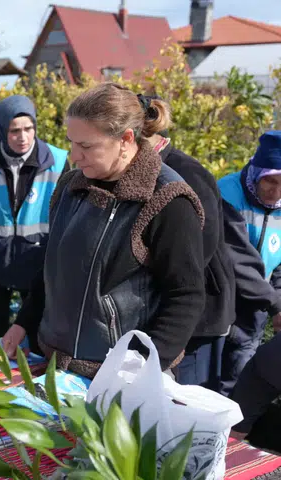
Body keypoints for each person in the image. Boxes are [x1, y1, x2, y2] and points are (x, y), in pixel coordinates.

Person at [1, 82, 206, 378]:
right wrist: (24, 321)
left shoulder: (166, 200)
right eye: (72, 142)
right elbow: (52, 265)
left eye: (86, 146)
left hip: (122, 377)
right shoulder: (70, 186)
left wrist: (138, 368)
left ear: (125, 139)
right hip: (57, 364)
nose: (74, 155)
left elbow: (186, 296)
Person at [141, 94, 235, 390]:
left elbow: (201, 247)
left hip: (198, 315)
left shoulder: (187, 173)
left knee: (186, 397)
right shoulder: (143, 170)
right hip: (170, 307)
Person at [0, 95, 69, 338]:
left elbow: (66, 219)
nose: (23, 137)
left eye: (28, 129)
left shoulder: (58, 162)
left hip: (37, 262)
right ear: (2, 130)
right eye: (14, 131)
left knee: (37, 335)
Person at [219, 131, 281, 395]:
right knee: (202, 388)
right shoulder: (227, 193)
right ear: (257, 172)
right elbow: (234, 258)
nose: (276, 192)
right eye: (270, 181)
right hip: (218, 305)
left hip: (255, 311)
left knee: (237, 390)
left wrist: (278, 300)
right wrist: (276, 304)